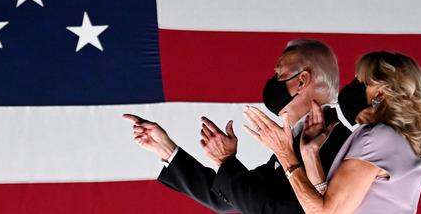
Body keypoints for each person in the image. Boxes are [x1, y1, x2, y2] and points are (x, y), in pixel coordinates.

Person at [123, 39, 351, 213]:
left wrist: (227, 161)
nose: (273, 81)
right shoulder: (296, 138)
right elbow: (229, 197)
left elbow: (271, 209)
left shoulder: (338, 144)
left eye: (279, 74)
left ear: (301, 81)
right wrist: (165, 149)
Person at [244, 51, 421, 214]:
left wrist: (285, 155)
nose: (351, 87)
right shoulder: (392, 141)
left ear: (380, 95)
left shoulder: (378, 138)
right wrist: (310, 156)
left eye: (360, 81)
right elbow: (327, 205)